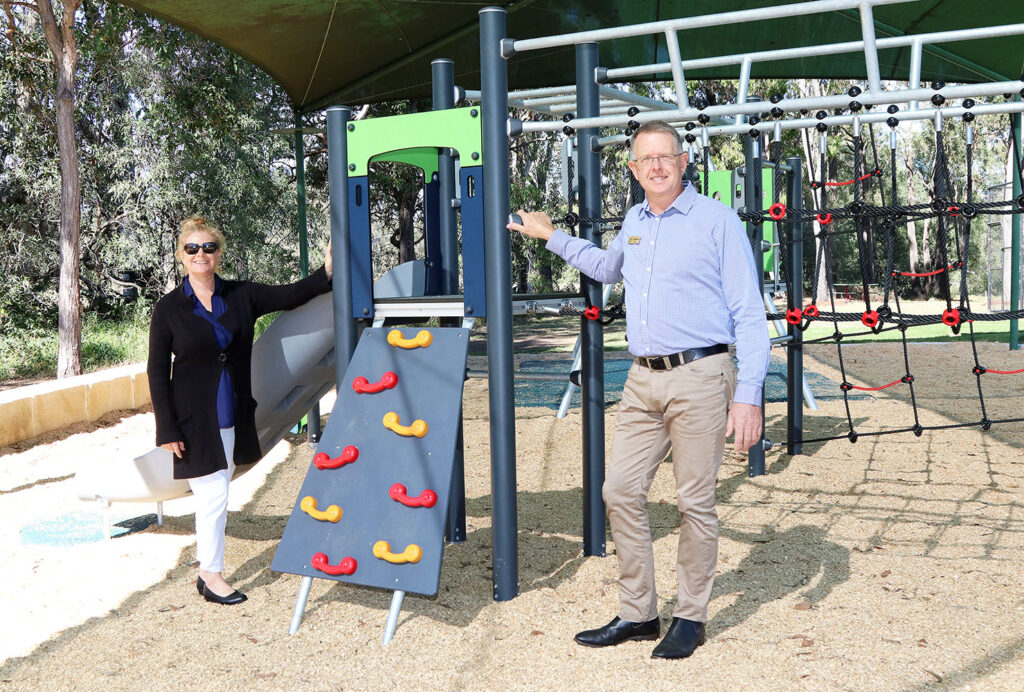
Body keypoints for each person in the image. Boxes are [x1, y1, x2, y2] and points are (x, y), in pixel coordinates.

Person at [508, 121, 769, 659]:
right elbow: (606, 267)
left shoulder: (716, 222)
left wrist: (748, 394)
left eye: (664, 157)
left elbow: (748, 313)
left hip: (701, 375)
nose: (655, 166)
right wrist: (549, 235)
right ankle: (639, 612)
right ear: (633, 169)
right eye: (644, 159)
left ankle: (690, 617)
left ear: (682, 161)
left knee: (694, 500)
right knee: (619, 489)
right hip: (642, 378)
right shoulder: (634, 221)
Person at [147, 216, 332, 605]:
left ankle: (205, 572)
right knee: (213, 493)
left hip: (232, 412)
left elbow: (290, 295)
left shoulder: (241, 296)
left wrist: (326, 271)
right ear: (181, 255)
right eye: (192, 248)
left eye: (208, 248)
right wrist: (166, 428)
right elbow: (157, 370)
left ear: (219, 253)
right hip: (192, 418)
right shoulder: (168, 309)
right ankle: (211, 575)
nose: (201, 254)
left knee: (219, 485)